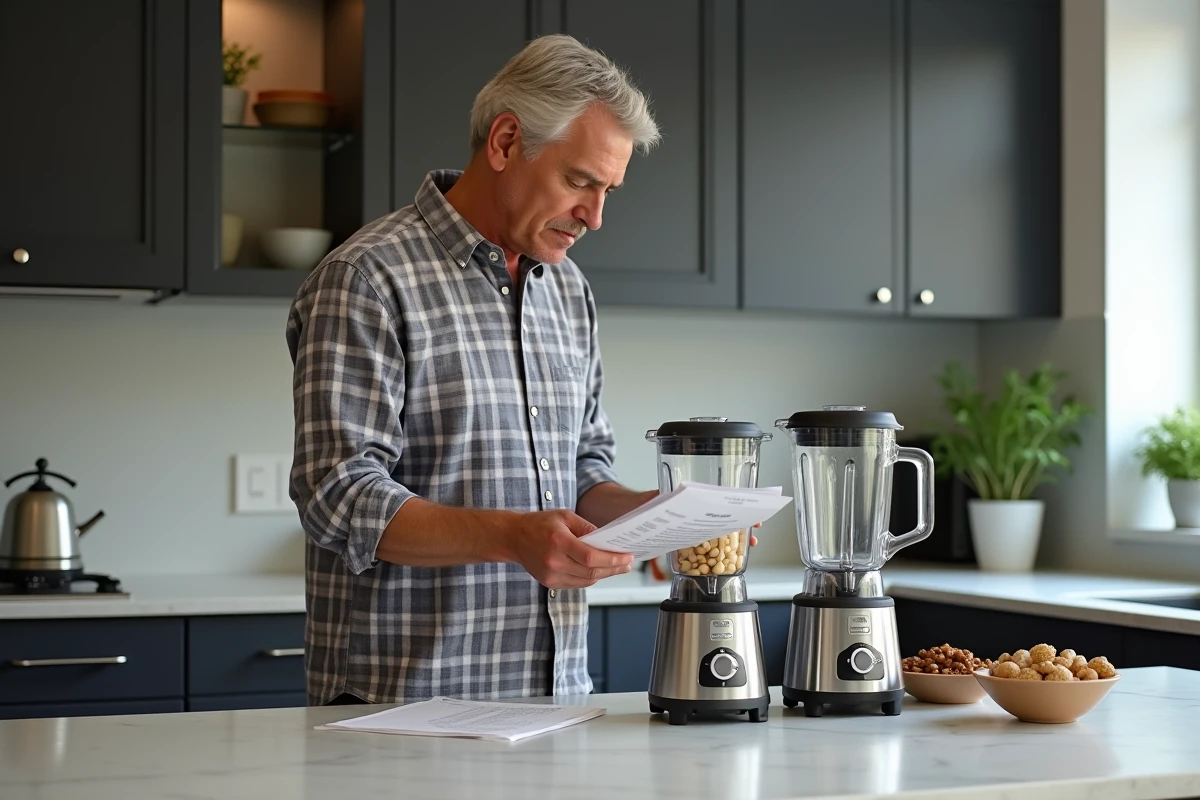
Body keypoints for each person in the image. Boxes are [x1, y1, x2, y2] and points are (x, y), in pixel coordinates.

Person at [285, 33, 665, 706]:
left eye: (609, 190)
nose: (596, 217)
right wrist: (512, 537)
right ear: (505, 142)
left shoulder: (567, 289)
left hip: (555, 704)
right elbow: (337, 497)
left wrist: (651, 516)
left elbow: (580, 470)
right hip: (402, 710)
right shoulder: (368, 278)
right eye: (580, 181)